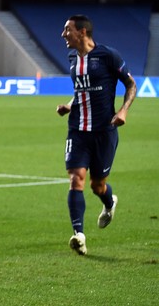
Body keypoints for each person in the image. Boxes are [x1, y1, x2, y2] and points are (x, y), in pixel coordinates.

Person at [56, 15, 136, 256]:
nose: (63, 34)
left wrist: (123, 110)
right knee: (76, 178)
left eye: (67, 29)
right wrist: (70, 105)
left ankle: (109, 202)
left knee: (97, 185)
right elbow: (81, 90)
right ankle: (78, 234)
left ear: (82, 32)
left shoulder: (108, 56)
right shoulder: (72, 58)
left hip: (104, 131)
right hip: (78, 129)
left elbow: (131, 84)